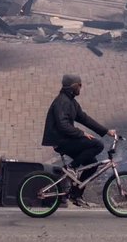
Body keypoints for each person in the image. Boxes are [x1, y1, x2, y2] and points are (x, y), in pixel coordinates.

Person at [42, 73, 116, 203]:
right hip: (61, 141)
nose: (81, 88)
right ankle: (71, 167)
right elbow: (63, 125)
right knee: (98, 145)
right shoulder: (62, 102)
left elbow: (84, 119)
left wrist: (106, 131)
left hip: (66, 139)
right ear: (73, 86)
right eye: (79, 85)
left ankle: (76, 195)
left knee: (92, 165)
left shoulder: (71, 102)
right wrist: (81, 133)